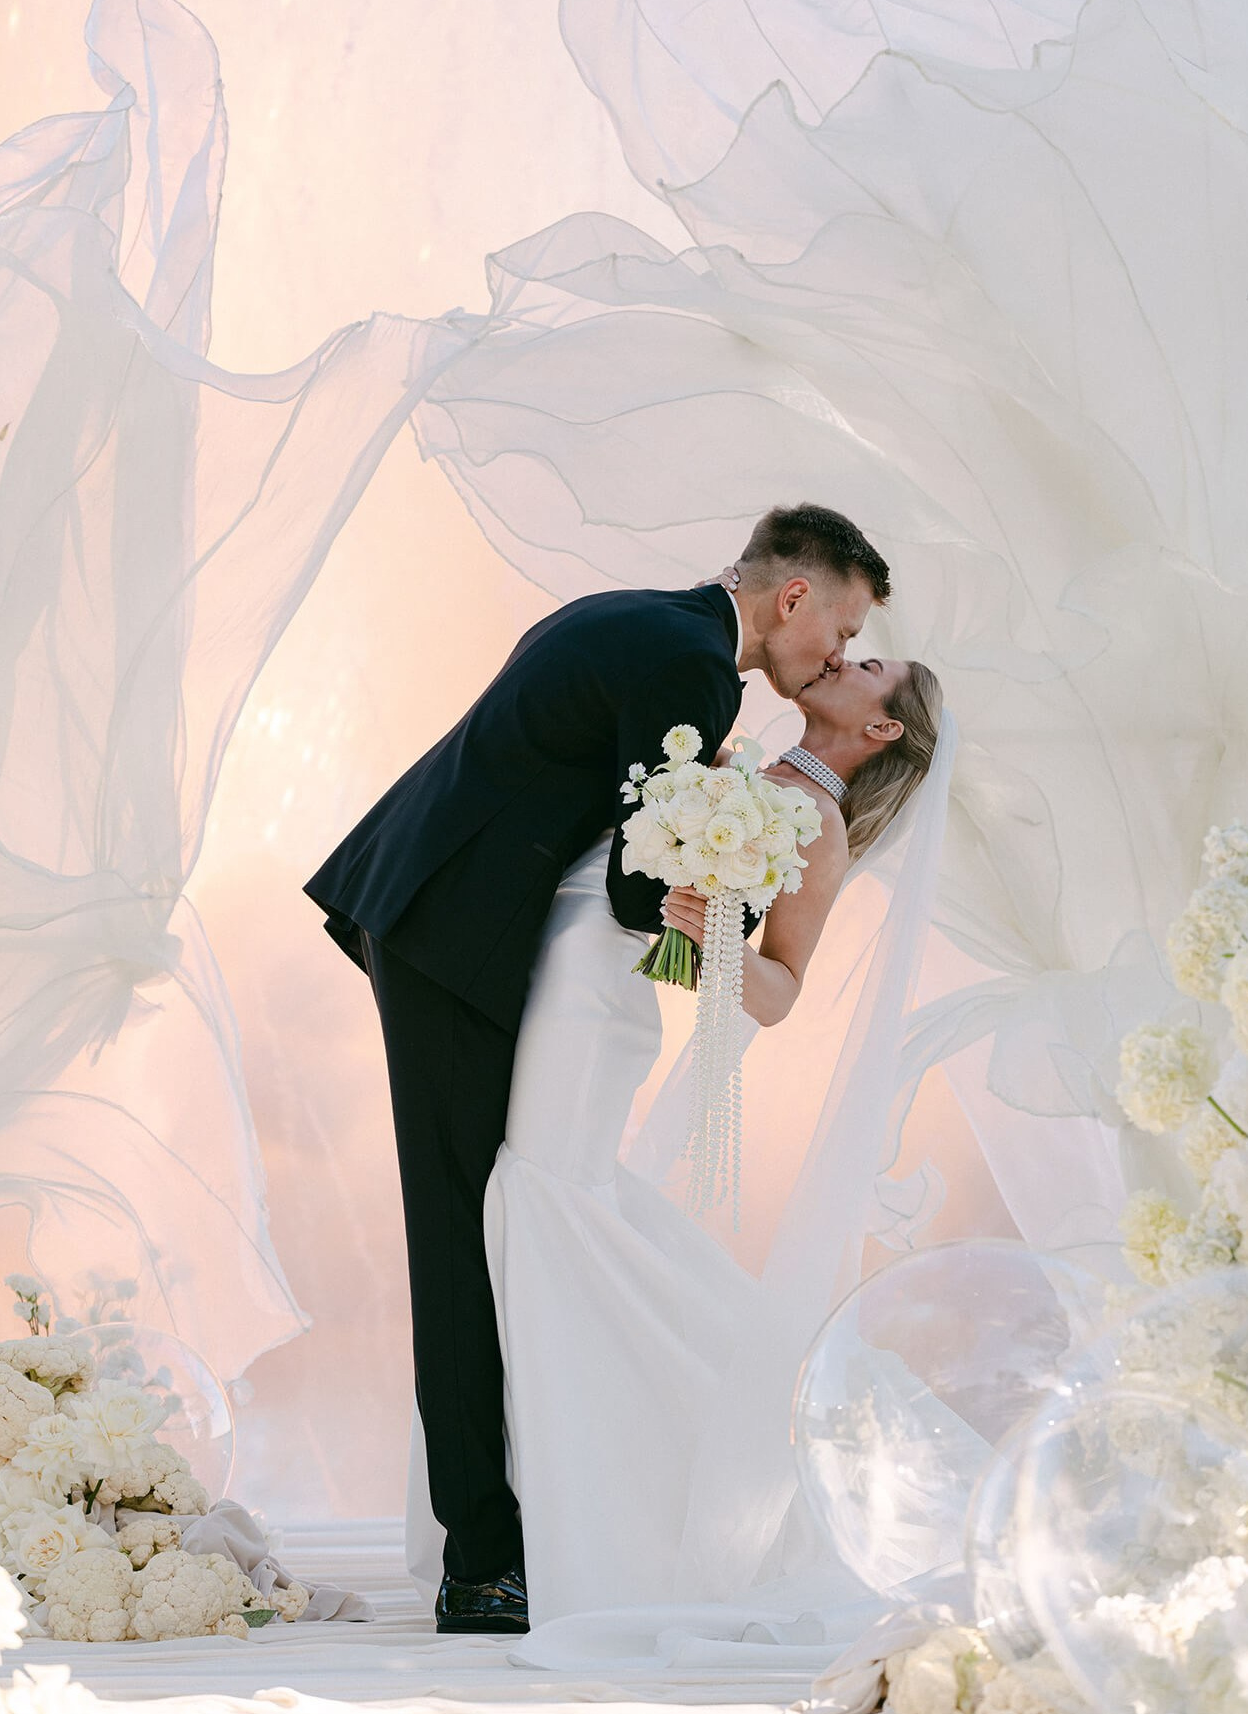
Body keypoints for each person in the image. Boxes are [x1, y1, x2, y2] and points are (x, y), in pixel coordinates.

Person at [302, 502, 890, 1633]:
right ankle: (481, 1562)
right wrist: (708, 903)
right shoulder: (690, 668)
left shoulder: (635, 619)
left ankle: (501, 1534)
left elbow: (588, 815)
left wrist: (710, 869)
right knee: (462, 1240)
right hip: (450, 940)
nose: (833, 654)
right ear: (794, 598)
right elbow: (635, 884)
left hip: (439, 917)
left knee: (484, 1225)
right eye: (841, 627)